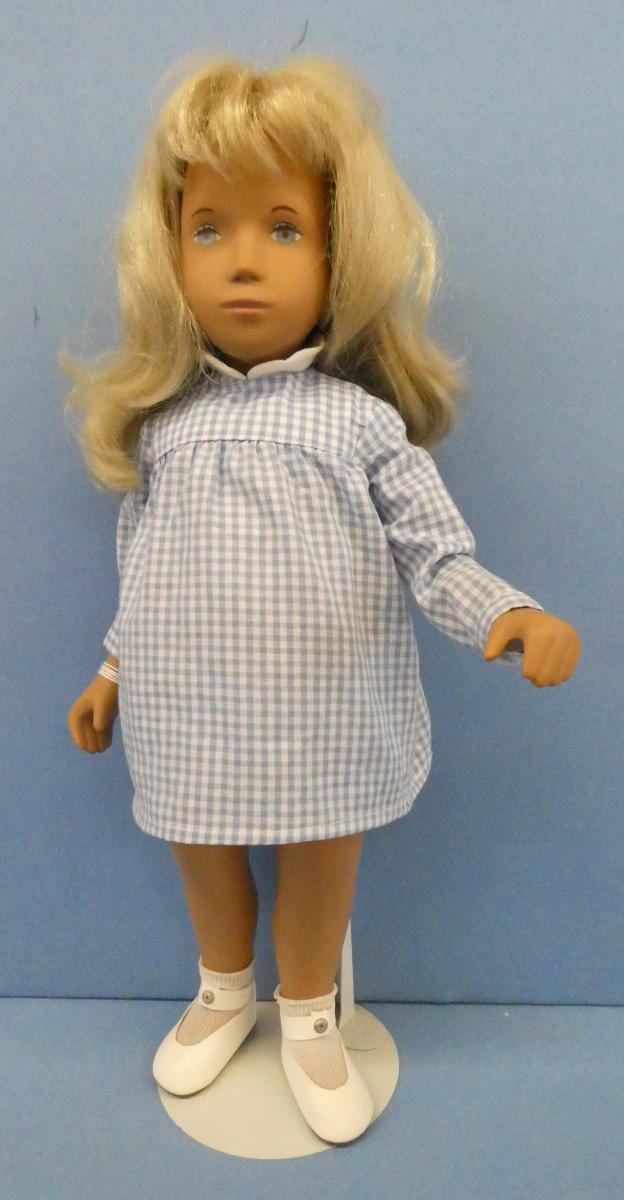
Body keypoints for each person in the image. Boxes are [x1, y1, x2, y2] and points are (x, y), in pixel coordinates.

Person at [64, 52, 581, 1145]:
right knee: (201, 849)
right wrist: (111, 671)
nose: (244, 260)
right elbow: (140, 565)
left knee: (320, 857)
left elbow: (434, 552)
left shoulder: (359, 425)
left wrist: (508, 615)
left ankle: (307, 1013)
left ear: (339, 254)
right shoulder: (168, 434)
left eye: (283, 228)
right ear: (170, 253)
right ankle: (222, 989)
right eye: (211, 228)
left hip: (325, 712)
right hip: (187, 707)